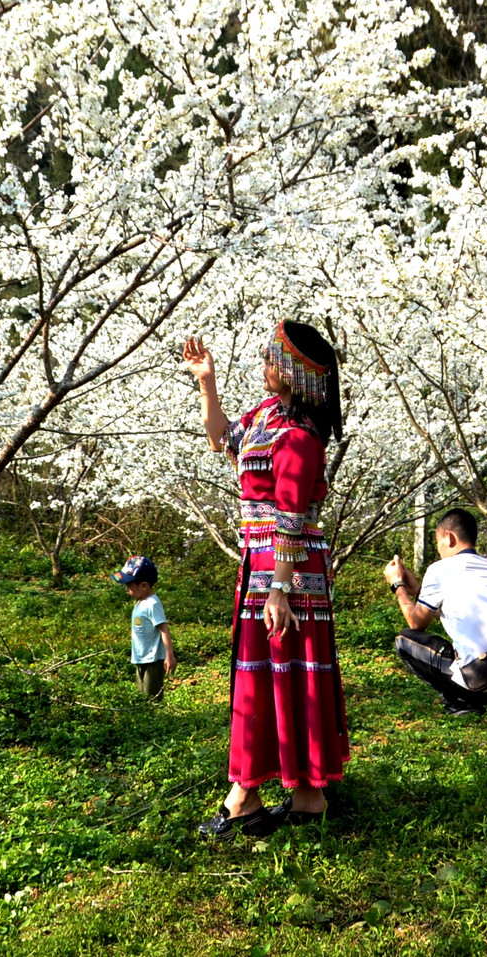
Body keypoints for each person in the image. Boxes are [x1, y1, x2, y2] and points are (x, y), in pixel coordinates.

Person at [182, 322, 351, 838]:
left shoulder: (300, 436)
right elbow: (219, 440)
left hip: (287, 568)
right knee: (269, 672)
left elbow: (293, 514)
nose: (264, 361)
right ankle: (299, 794)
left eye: (273, 356)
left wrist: (278, 587)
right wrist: (206, 384)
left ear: (296, 372)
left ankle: (257, 795)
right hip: (259, 561)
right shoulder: (263, 417)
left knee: (284, 672)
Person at [384, 508, 487, 717]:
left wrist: (398, 585)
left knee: (404, 639)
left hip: (476, 678)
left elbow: (416, 622)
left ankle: (461, 701)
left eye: (437, 542)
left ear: (449, 538)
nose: (439, 550)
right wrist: (417, 591)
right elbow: (459, 608)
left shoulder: (440, 569)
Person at [113, 555, 177, 698]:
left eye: (129, 586)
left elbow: (164, 629)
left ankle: (157, 719)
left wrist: (169, 656)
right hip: (140, 657)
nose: (127, 590)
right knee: (141, 695)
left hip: (153, 659)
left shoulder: (152, 604)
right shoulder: (140, 602)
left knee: (151, 697)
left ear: (144, 585)